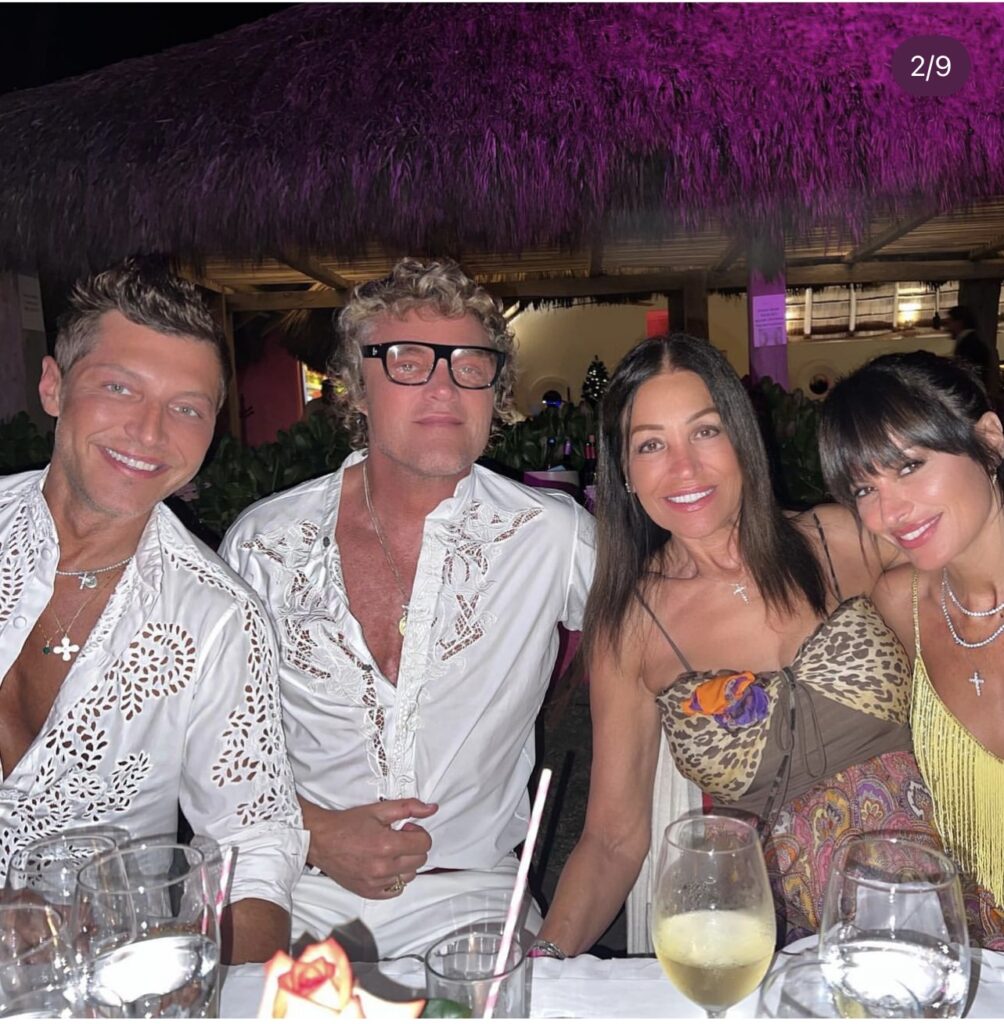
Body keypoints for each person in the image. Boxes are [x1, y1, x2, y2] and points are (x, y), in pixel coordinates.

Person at [220, 257, 595, 959]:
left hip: (476, 903)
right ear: (356, 388)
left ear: (495, 393)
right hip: (289, 889)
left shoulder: (552, 535)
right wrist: (314, 832)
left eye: (470, 365)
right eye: (408, 362)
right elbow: (210, 749)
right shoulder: (263, 545)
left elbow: (679, 610)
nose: (444, 386)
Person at [535, 333, 938, 957]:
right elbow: (612, 840)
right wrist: (543, 960)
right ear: (624, 472)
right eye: (650, 445)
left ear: (742, 438)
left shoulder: (843, 538)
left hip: (951, 889)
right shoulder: (631, 626)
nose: (684, 468)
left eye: (705, 431)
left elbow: (973, 577)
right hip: (792, 947)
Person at [0, 258, 308, 962]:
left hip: (96, 981)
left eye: (187, 408)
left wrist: (218, 988)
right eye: (119, 388)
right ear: (53, 386)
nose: (149, 431)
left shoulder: (218, 618)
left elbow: (253, 844)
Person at [819, 350, 1004, 949]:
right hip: (966, 952)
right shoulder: (902, 603)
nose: (888, 512)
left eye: (909, 466)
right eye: (864, 488)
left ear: (990, 440)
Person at [943, 304, 1000, 406]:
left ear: (959, 322)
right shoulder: (974, 342)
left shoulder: (969, 345)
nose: (947, 328)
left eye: (950, 322)